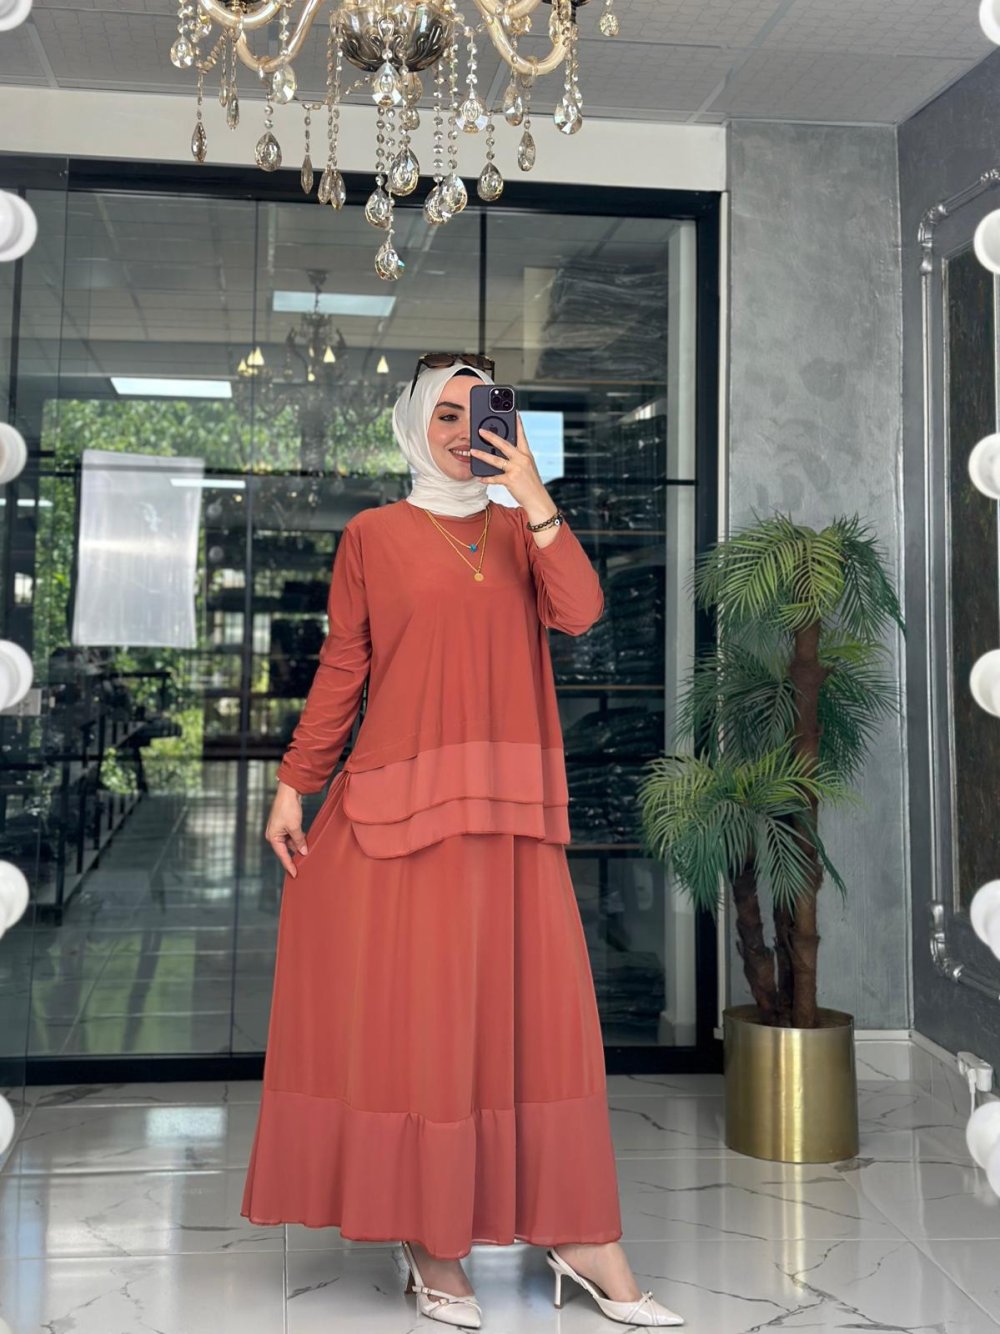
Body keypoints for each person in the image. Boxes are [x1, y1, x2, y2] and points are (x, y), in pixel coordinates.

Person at [240, 353, 684, 1329]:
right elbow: (344, 668)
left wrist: (533, 493)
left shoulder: (524, 529)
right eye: (443, 412)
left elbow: (582, 611)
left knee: (538, 1027)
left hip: (511, 817)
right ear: (411, 424)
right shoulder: (373, 535)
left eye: (480, 409)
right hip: (396, 815)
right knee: (423, 1027)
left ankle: (578, 1232)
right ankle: (431, 1237)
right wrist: (294, 784)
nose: (461, 428)